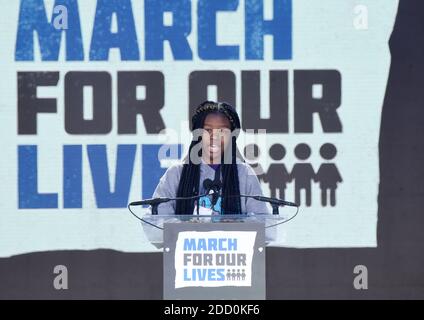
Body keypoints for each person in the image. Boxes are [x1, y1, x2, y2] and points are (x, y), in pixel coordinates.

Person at [151, 100, 269, 215]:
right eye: (208, 130)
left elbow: (263, 225)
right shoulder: (176, 174)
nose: (215, 137)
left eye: (222, 131)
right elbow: (156, 221)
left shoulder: (244, 174)